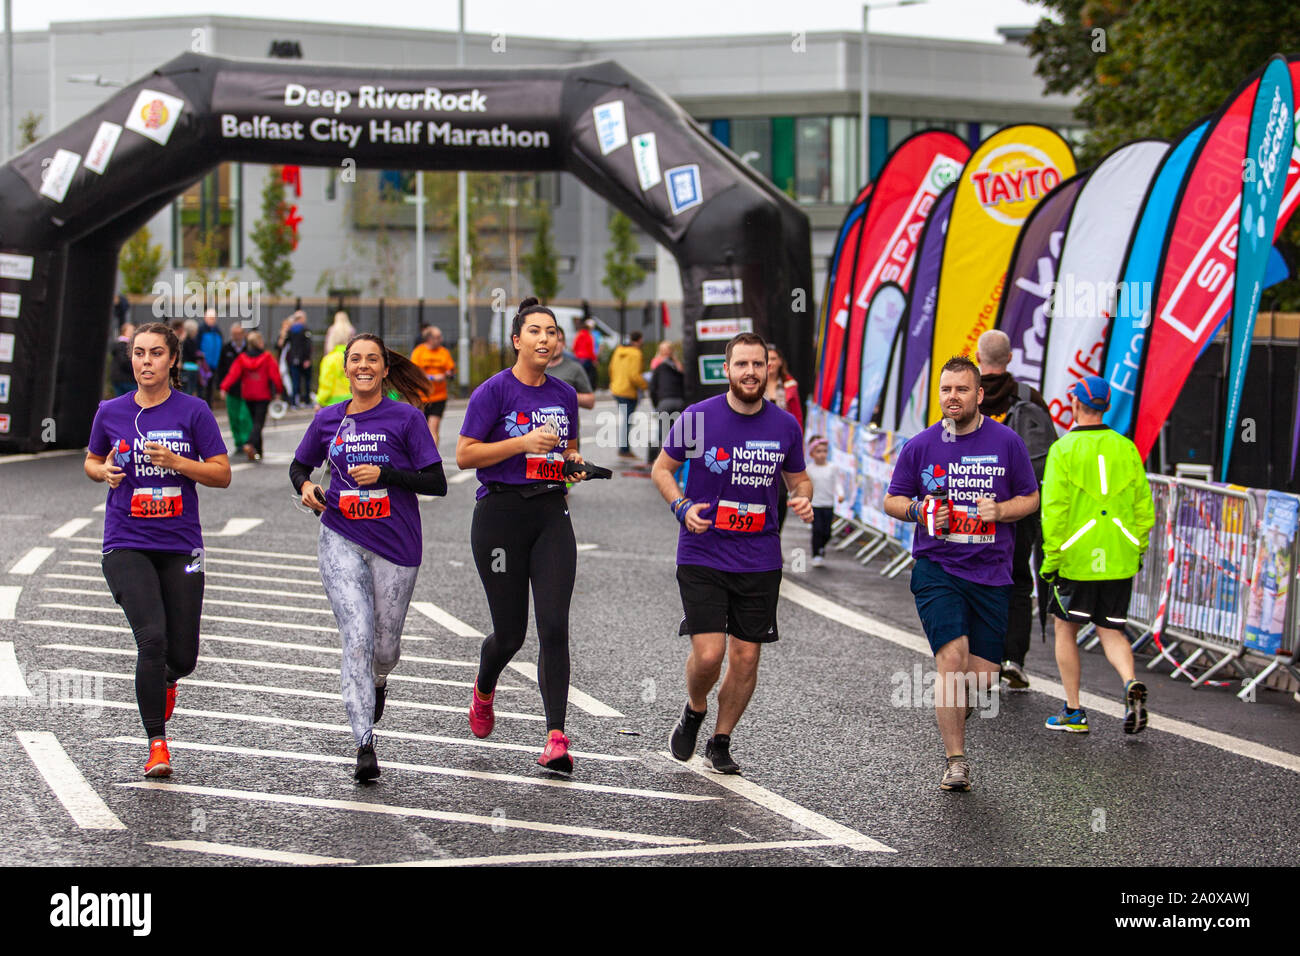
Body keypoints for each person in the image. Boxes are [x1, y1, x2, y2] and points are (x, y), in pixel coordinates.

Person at [652, 332, 813, 774]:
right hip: (702, 551)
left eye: (757, 365)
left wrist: (801, 497)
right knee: (709, 655)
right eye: (741, 364)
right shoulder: (697, 418)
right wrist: (681, 506)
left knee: (746, 656)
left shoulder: (784, 425)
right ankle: (695, 707)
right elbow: (662, 469)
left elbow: (798, 479)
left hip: (759, 558)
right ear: (726, 369)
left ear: (768, 369)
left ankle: (720, 740)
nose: (750, 372)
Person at [292, 333, 447, 781]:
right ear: (345, 368)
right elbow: (300, 465)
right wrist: (305, 487)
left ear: (383, 369)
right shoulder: (328, 420)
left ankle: (380, 681)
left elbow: (435, 482)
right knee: (356, 636)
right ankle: (364, 743)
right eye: (355, 359)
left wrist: (387, 474)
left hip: (395, 543)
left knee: (385, 646)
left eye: (371, 360)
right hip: (340, 534)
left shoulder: (406, 418)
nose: (363, 366)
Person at [883, 355, 1039, 792]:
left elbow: (1031, 498)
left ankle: (957, 706)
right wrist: (920, 509)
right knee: (951, 658)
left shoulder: (1007, 442)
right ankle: (956, 761)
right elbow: (892, 500)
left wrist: (1002, 510)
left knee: (984, 677)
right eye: (947, 390)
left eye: (962, 389)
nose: (953, 397)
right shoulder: (921, 446)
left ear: (979, 395)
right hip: (939, 568)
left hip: (991, 571)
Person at [83, 322, 231, 776]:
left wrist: (178, 463)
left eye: (155, 354)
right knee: (152, 638)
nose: (145, 361)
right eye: (138, 353)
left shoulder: (194, 412)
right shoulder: (111, 411)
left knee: (181, 656)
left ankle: (167, 680)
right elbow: (91, 459)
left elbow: (222, 473)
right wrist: (102, 470)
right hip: (126, 541)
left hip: (180, 544)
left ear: (172, 361)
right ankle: (157, 745)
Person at [457, 297, 592, 774]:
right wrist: (521, 443)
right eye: (535, 331)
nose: (544, 339)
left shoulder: (564, 395)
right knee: (511, 635)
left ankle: (556, 736)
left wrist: (574, 467)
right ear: (517, 340)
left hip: (550, 513)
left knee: (554, 625)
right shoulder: (492, 392)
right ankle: (484, 686)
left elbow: (569, 450)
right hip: (499, 517)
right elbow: (465, 456)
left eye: (551, 332)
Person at [1040, 375, 1154, 736]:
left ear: (1075, 405)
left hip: (1077, 558)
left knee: (1065, 628)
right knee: (1111, 629)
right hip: (1119, 557)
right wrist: (1137, 548)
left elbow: (1054, 510)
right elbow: (1143, 508)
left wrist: (1050, 559)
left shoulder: (1062, 450)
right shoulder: (1127, 448)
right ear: (1106, 406)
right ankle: (1129, 681)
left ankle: (1074, 711)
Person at [975, 329, 1056, 691]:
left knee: (973, 578)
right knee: (1019, 580)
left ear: (978, 358)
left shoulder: (964, 394)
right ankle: (1014, 659)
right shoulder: (1028, 397)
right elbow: (1049, 457)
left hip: (972, 505)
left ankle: (982, 659)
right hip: (1019, 506)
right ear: (1009, 358)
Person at [220, 330, 283, 461]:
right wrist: (278, 391)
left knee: (253, 421)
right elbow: (275, 376)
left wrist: (224, 387)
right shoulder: (267, 357)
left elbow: (233, 374)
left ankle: (259, 451)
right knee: (258, 423)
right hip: (262, 394)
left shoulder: (242, 358)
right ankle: (250, 443)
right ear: (259, 342)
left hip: (248, 394)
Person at [765, 345, 803, 530]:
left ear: (780, 361)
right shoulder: (754, 384)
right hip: (756, 447)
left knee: (780, 495)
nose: (771, 362)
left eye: (774, 358)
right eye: (768, 358)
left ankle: (775, 534)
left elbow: (797, 418)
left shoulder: (789, 385)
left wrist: (798, 446)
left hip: (782, 448)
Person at [410, 324, 456, 447]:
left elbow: (451, 370)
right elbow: (415, 372)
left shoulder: (443, 352)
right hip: (422, 397)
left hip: (439, 396)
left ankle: (432, 458)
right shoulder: (419, 352)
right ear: (429, 338)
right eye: (437, 337)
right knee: (421, 429)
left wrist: (447, 374)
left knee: (433, 428)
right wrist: (432, 377)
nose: (441, 339)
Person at [609, 330, 647, 459]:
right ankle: (624, 449)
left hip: (617, 389)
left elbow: (611, 369)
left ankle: (624, 448)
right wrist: (645, 385)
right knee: (627, 420)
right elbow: (634, 375)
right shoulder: (636, 354)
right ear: (639, 340)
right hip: (629, 391)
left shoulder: (618, 351)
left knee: (625, 419)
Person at [215, 322, 250, 454]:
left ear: (243, 334)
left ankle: (246, 440)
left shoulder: (248, 348)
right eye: (234, 334)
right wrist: (221, 387)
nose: (236, 337)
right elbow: (221, 368)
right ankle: (238, 442)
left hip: (247, 389)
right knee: (233, 417)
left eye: (239, 334)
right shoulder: (226, 348)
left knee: (244, 417)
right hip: (232, 389)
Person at [648, 340, 685, 464]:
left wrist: (656, 404)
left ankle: (657, 461)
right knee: (679, 433)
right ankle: (679, 462)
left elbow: (652, 387)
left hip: (664, 401)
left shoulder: (657, 364)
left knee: (661, 432)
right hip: (679, 401)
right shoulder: (677, 365)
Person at [806, 436, 836, 567]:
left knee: (827, 532)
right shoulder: (809, 469)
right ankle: (816, 554)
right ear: (812, 454)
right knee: (817, 530)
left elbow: (837, 483)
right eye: (818, 451)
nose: (822, 454)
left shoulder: (832, 468)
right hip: (815, 504)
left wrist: (840, 494)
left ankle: (822, 547)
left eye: (824, 451)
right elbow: (805, 485)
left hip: (828, 504)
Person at [315, 312, 355, 407]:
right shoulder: (355, 359)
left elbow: (326, 384)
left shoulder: (330, 359)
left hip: (333, 404)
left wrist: (319, 401)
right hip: (353, 402)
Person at [196, 309, 224, 407]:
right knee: (202, 388)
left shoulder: (218, 331)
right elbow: (197, 347)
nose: (212, 320)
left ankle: (209, 407)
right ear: (205, 318)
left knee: (210, 388)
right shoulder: (201, 330)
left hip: (214, 364)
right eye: (210, 318)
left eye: (214, 318)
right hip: (203, 365)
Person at [286, 311, 313, 408]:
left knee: (295, 381)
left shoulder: (291, 330)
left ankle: (294, 402)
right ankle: (306, 401)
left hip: (293, 358)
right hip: (303, 359)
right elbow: (307, 345)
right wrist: (307, 359)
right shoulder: (304, 329)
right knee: (306, 381)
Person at [109, 323, 136, 396]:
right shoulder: (123, 345)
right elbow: (124, 361)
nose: (133, 333)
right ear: (125, 332)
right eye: (131, 331)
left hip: (119, 378)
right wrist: (135, 370)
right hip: (126, 379)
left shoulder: (119, 345)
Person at [572, 318, 598, 389]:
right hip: (587, 359)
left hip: (578, 358)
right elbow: (591, 349)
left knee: (579, 374)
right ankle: (588, 388)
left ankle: (578, 388)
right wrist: (594, 359)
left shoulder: (578, 335)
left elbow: (574, 347)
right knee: (588, 375)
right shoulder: (589, 336)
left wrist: (577, 354)